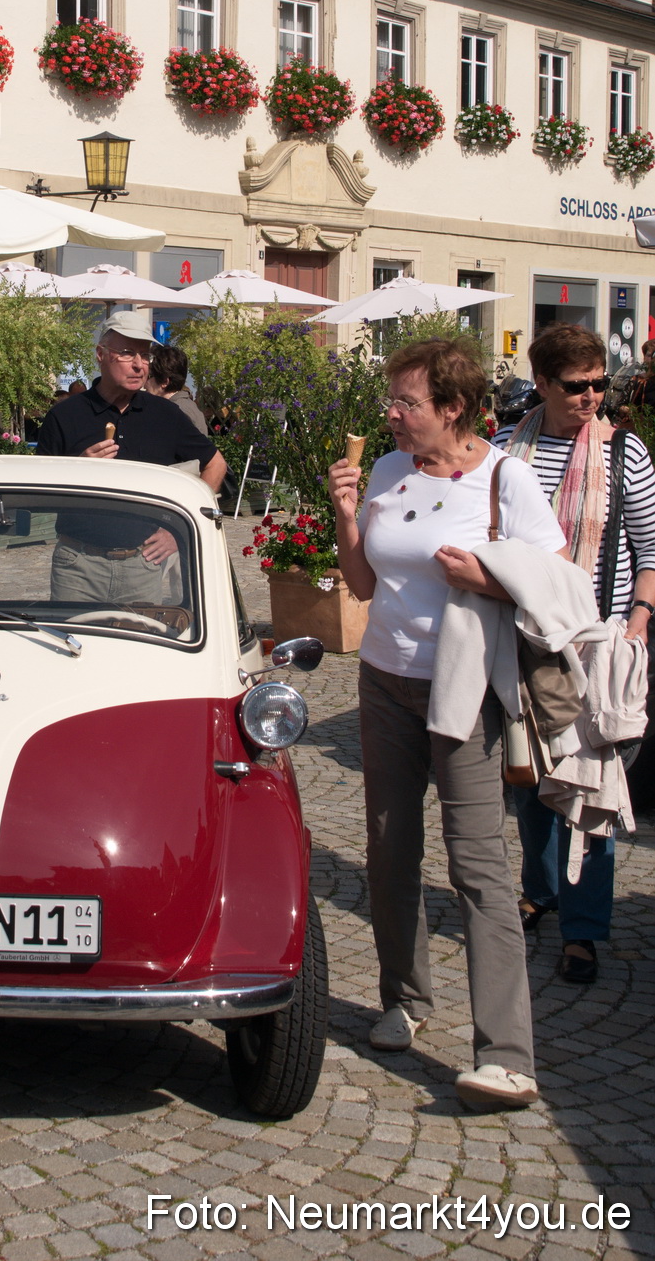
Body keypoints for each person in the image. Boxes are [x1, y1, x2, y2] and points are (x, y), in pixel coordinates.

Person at [327, 336, 569, 1111]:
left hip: (463, 690)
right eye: (391, 402)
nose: (392, 417)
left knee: (476, 865)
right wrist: (343, 514)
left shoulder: (505, 479)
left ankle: (505, 1053)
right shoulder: (391, 469)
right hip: (384, 680)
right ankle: (404, 997)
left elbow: (554, 585)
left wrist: (485, 577)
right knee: (389, 848)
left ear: (453, 407)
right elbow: (362, 583)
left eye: (407, 404)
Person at [495, 323, 655, 984]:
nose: (592, 397)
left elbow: (650, 549)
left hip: (599, 640)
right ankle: (540, 887)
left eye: (599, 384)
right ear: (541, 383)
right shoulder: (507, 450)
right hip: (528, 639)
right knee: (531, 783)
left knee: (591, 789)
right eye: (576, 386)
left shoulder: (625, 455)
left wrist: (638, 622)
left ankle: (583, 928)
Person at [35, 311, 225, 604]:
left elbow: (215, 464)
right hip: (78, 565)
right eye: (126, 353)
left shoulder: (164, 414)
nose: (139, 365)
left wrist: (178, 531)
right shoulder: (66, 415)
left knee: (140, 648)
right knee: (73, 646)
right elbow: (38, 494)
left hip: (142, 565)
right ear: (101, 354)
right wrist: (78, 468)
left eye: (144, 355)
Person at [147, 343, 208, 434]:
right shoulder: (186, 406)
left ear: (164, 382)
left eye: (148, 376)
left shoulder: (177, 412)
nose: (144, 384)